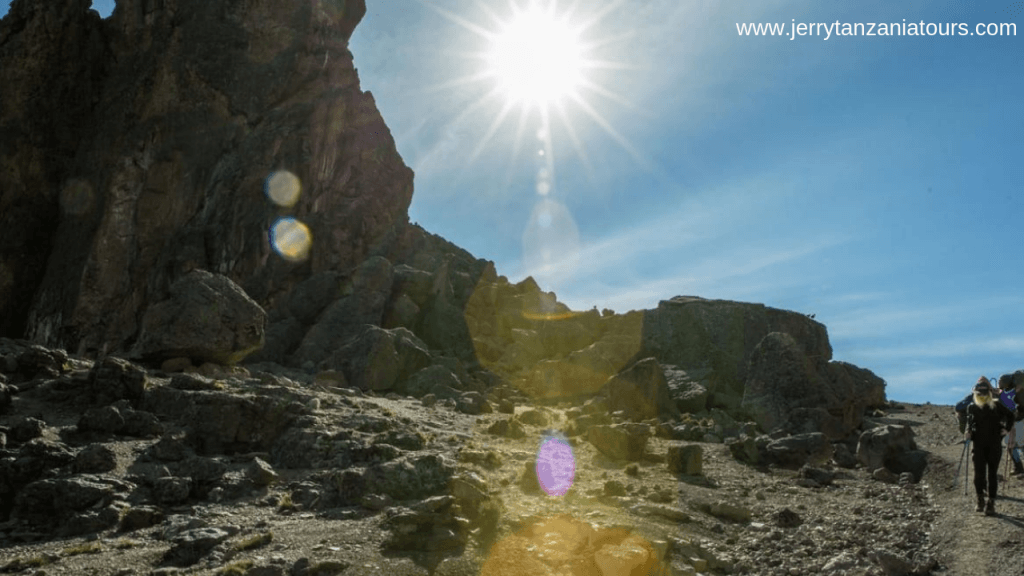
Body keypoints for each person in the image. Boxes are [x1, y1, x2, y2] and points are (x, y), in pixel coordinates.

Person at [966, 376, 1015, 515]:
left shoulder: (997, 405)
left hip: (994, 445)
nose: (981, 396)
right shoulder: (972, 408)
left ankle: (991, 503)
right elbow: (970, 423)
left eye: (984, 393)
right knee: (979, 474)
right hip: (979, 445)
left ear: (989, 393)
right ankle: (980, 499)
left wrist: (1007, 429)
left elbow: (1011, 415)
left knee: (992, 474)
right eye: (979, 394)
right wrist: (968, 431)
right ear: (976, 394)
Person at [997, 374, 1024, 476]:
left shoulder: (1015, 392)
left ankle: (1019, 468)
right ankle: (1018, 468)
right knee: (1013, 446)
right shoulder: (1013, 391)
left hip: (1018, 420)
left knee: (1017, 445)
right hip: (1015, 420)